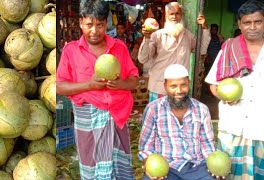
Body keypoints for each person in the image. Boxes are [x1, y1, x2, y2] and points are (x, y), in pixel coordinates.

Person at [56, 0, 139, 179]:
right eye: (89, 25)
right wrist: (89, 85)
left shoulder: (119, 47)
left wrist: (121, 84)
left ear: (106, 23)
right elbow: (60, 87)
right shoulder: (71, 51)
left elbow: (134, 81)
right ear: (81, 23)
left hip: (116, 115)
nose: (94, 31)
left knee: (119, 166)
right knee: (92, 166)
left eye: (100, 25)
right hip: (87, 116)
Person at [205, 0, 264, 179]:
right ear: (239, 24)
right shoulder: (229, 48)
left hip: (261, 126)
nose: (252, 27)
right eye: (247, 22)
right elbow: (214, 84)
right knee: (231, 174)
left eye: (258, 22)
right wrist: (224, 96)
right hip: (234, 126)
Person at [138, 64, 215, 180]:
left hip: (197, 166)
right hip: (166, 167)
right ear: (165, 86)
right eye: (173, 86)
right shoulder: (154, 109)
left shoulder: (201, 109)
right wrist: (149, 164)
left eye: (183, 85)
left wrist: (214, 165)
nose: (179, 91)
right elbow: (146, 146)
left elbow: (207, 143)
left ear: (189, 83)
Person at [138, 2, 211, 102]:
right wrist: (146, 38)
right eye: (171, 14)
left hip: (180, 90)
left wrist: (205, 28)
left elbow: (202, 50)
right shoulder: (157, 35)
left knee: (179, 117)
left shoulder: (188, 35)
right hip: (160, 88)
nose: (174, 16)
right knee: (160, 117)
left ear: (181, 15)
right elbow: (143, 59)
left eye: (177, 13)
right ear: (166, 15)